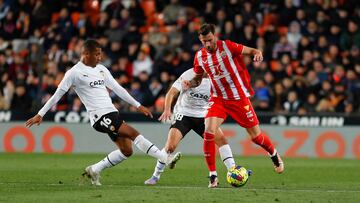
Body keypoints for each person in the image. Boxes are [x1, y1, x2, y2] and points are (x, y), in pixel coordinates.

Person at [25, 39, 181, 186]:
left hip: (112, 113)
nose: (100, 57)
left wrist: (137, 105)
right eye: (97, 54)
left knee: (127, 151)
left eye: (100, 54)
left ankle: (94, 169)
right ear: (86, 54)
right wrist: (41, 113)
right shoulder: (74, 73)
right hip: (99, 116)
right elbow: (57, 95)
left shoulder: (101, 69)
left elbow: (118, 88)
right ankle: (165, 159)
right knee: (133, 133)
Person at [183, 23, 284, 188]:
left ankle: (273, 153)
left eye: (209, 40)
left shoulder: (228, 46)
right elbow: (198, 79)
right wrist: (191, 83)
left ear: (214, 36)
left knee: (256, 137)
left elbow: (252, 51)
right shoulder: (200, 56)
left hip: (238, 98)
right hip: (218, 98)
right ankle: (213, 176)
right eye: (203, 41)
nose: (207, 44)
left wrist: (257, 53)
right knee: (209, 131)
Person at [144, 68, 244, 187]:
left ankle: (233, 170)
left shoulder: (217, 78)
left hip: (204, 115)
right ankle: (155, 176)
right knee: (170, 146)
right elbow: (171, 92)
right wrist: (167, 109)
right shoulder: (188, 74)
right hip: (184, 114)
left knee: (222, 140)